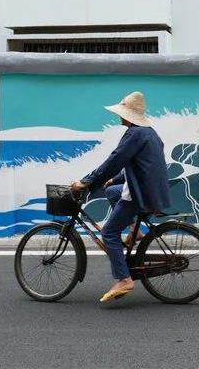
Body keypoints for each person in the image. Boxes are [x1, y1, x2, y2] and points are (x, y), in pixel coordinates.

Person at [71, 91, 170, 303]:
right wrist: (113, 180)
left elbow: (115, 159)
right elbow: (138, 163)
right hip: (151, 188)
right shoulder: (148, 132)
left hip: (140, 191)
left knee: (109, 232)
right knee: (111, 191)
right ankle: (136, 230)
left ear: (128, 115)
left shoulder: (134, 134)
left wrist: (87, 181)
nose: (119, 116)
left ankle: (124, 279)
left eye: (122, 112)